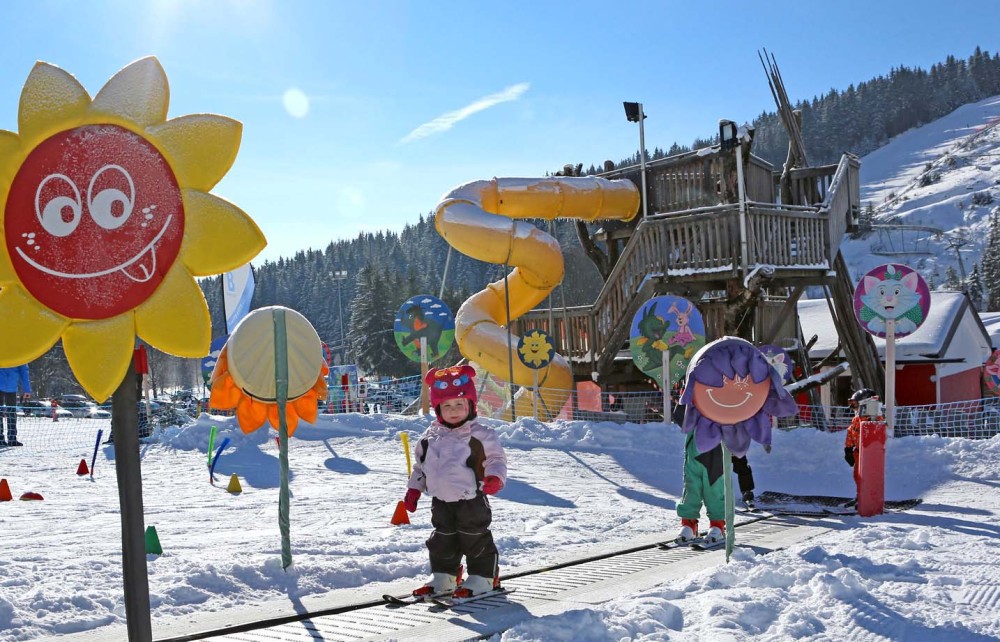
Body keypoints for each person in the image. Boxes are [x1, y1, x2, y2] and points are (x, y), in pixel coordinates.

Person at [402, 364, 507, 599]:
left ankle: (484, 577)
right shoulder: (429, 438)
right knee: (442, 539)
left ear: (471, 405)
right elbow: (420, 467)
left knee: (474, 537)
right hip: (440, 501)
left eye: (459, 404)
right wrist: (413, 490)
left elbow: (496, 459)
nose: (454, 411)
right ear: (438, 409)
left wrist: (494, 477)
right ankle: (444, 575)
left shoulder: (481, 434)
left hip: (471, 499)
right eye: (447, 406)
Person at [844, 388, 879, 497]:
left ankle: (869, 496)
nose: (852, 407)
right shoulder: (856, 419)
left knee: (867, 476)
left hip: (869, 454)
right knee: (858, 475)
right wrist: (848, 449)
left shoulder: (874, 419)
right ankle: (860, 495)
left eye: (855, 404)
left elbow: (877, 433)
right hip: (858, 452)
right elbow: (851, 432)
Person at [0, 364, 31, 446]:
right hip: (9, 386)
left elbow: (24, 371)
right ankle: (6, 439)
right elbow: (24, 372)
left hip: (12, 388)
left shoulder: (19, 357)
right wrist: (27, 390)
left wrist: (27, 390)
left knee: (12, 413)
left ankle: (12, 439)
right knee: (11, 413)